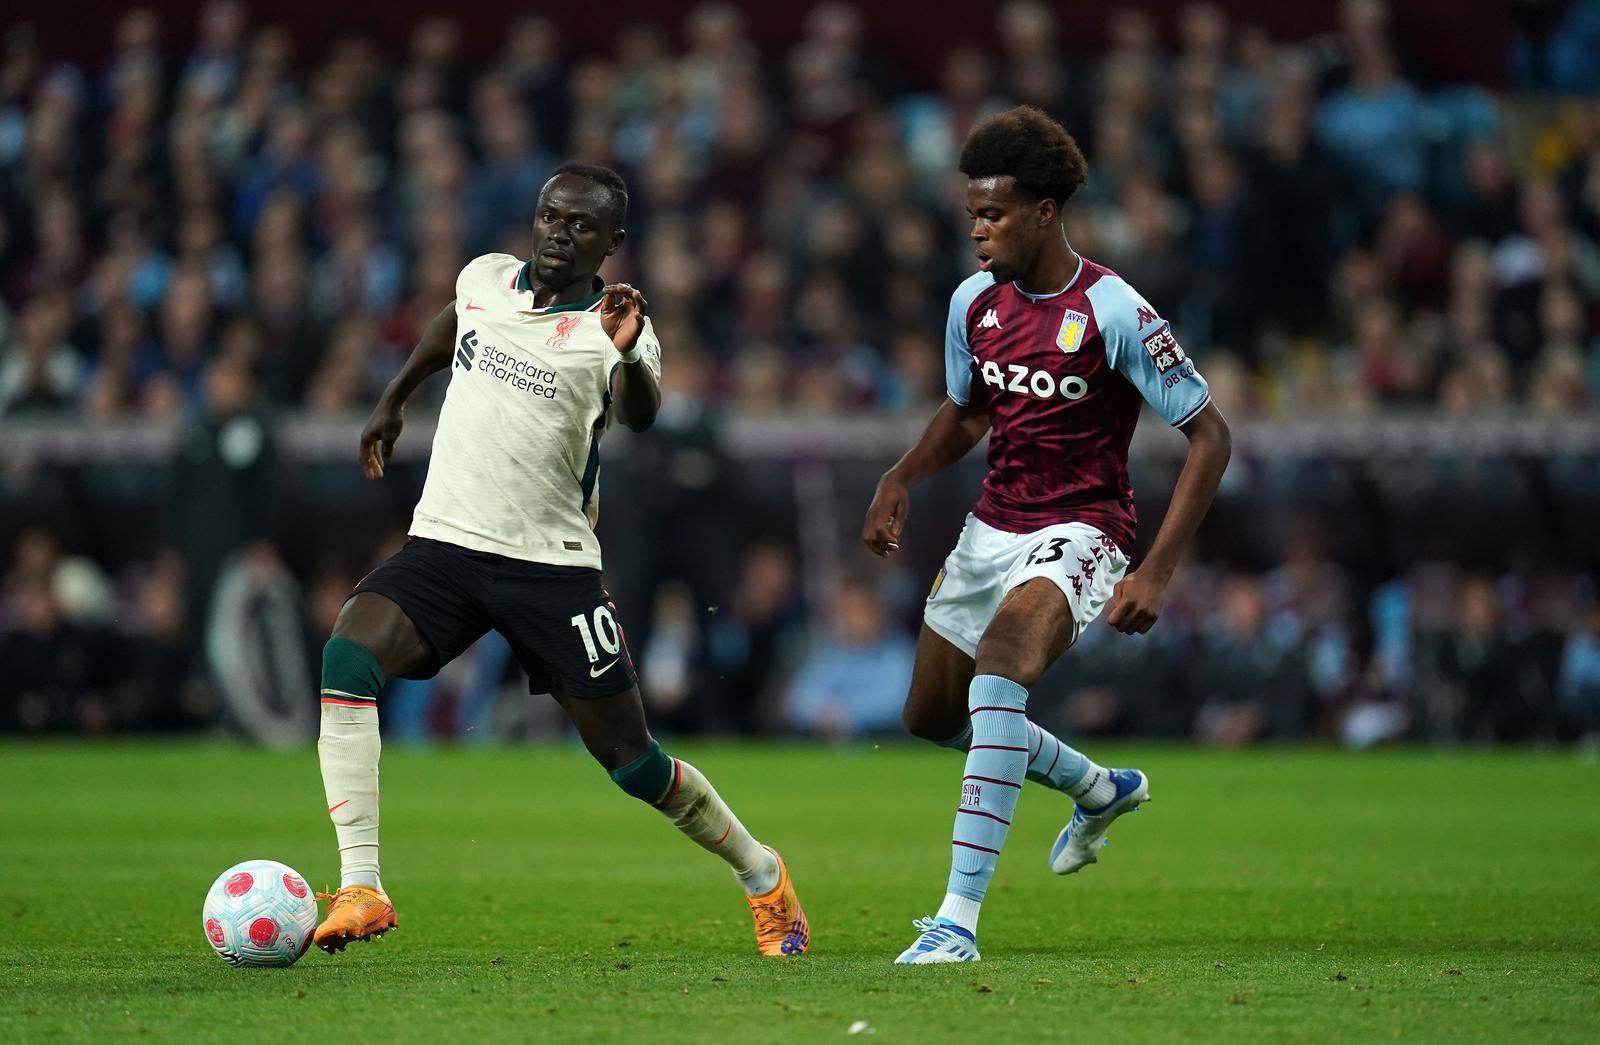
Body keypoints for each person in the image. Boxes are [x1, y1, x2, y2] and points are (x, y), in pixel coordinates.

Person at [313, 163, 808, 957]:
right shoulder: (483, 280)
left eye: (580, 225)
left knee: (632, 762)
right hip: (445, 543)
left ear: (610, 243)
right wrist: (393, 398)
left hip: (551, 567)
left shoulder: (619, 324)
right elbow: (452, 323)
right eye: (549, 215)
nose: (557, 232)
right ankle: (363, 884)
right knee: (348, 652)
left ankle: (762, 873)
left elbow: (644, 414)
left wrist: (621, 354)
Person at [862, 107, 1231, 964]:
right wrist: (902, 476)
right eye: (971, 215)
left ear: (1044, 212)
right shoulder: (971, 304)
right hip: (992, 523)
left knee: (1003, 664)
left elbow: (1211, 436)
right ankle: (1098, 789)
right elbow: (967, 413)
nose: (979, 230)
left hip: (1085, 527)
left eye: (993, 214)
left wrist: (1158, 570)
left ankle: (956, 922)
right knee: (930, 714)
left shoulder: (1115, 309)